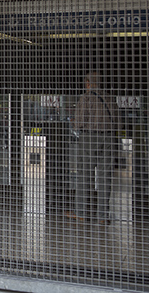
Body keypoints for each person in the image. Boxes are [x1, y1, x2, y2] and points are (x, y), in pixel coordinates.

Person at [66, 72, 116, 224]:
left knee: (84, 174)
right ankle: (102, 215)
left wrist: (74, 123)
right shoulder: (110, 98)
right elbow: (119, 121)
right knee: (105, 175)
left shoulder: (86, 98)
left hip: (89, 137)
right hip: (109, 138)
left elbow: (79, 122)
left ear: (88, 83)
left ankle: (81, 211)